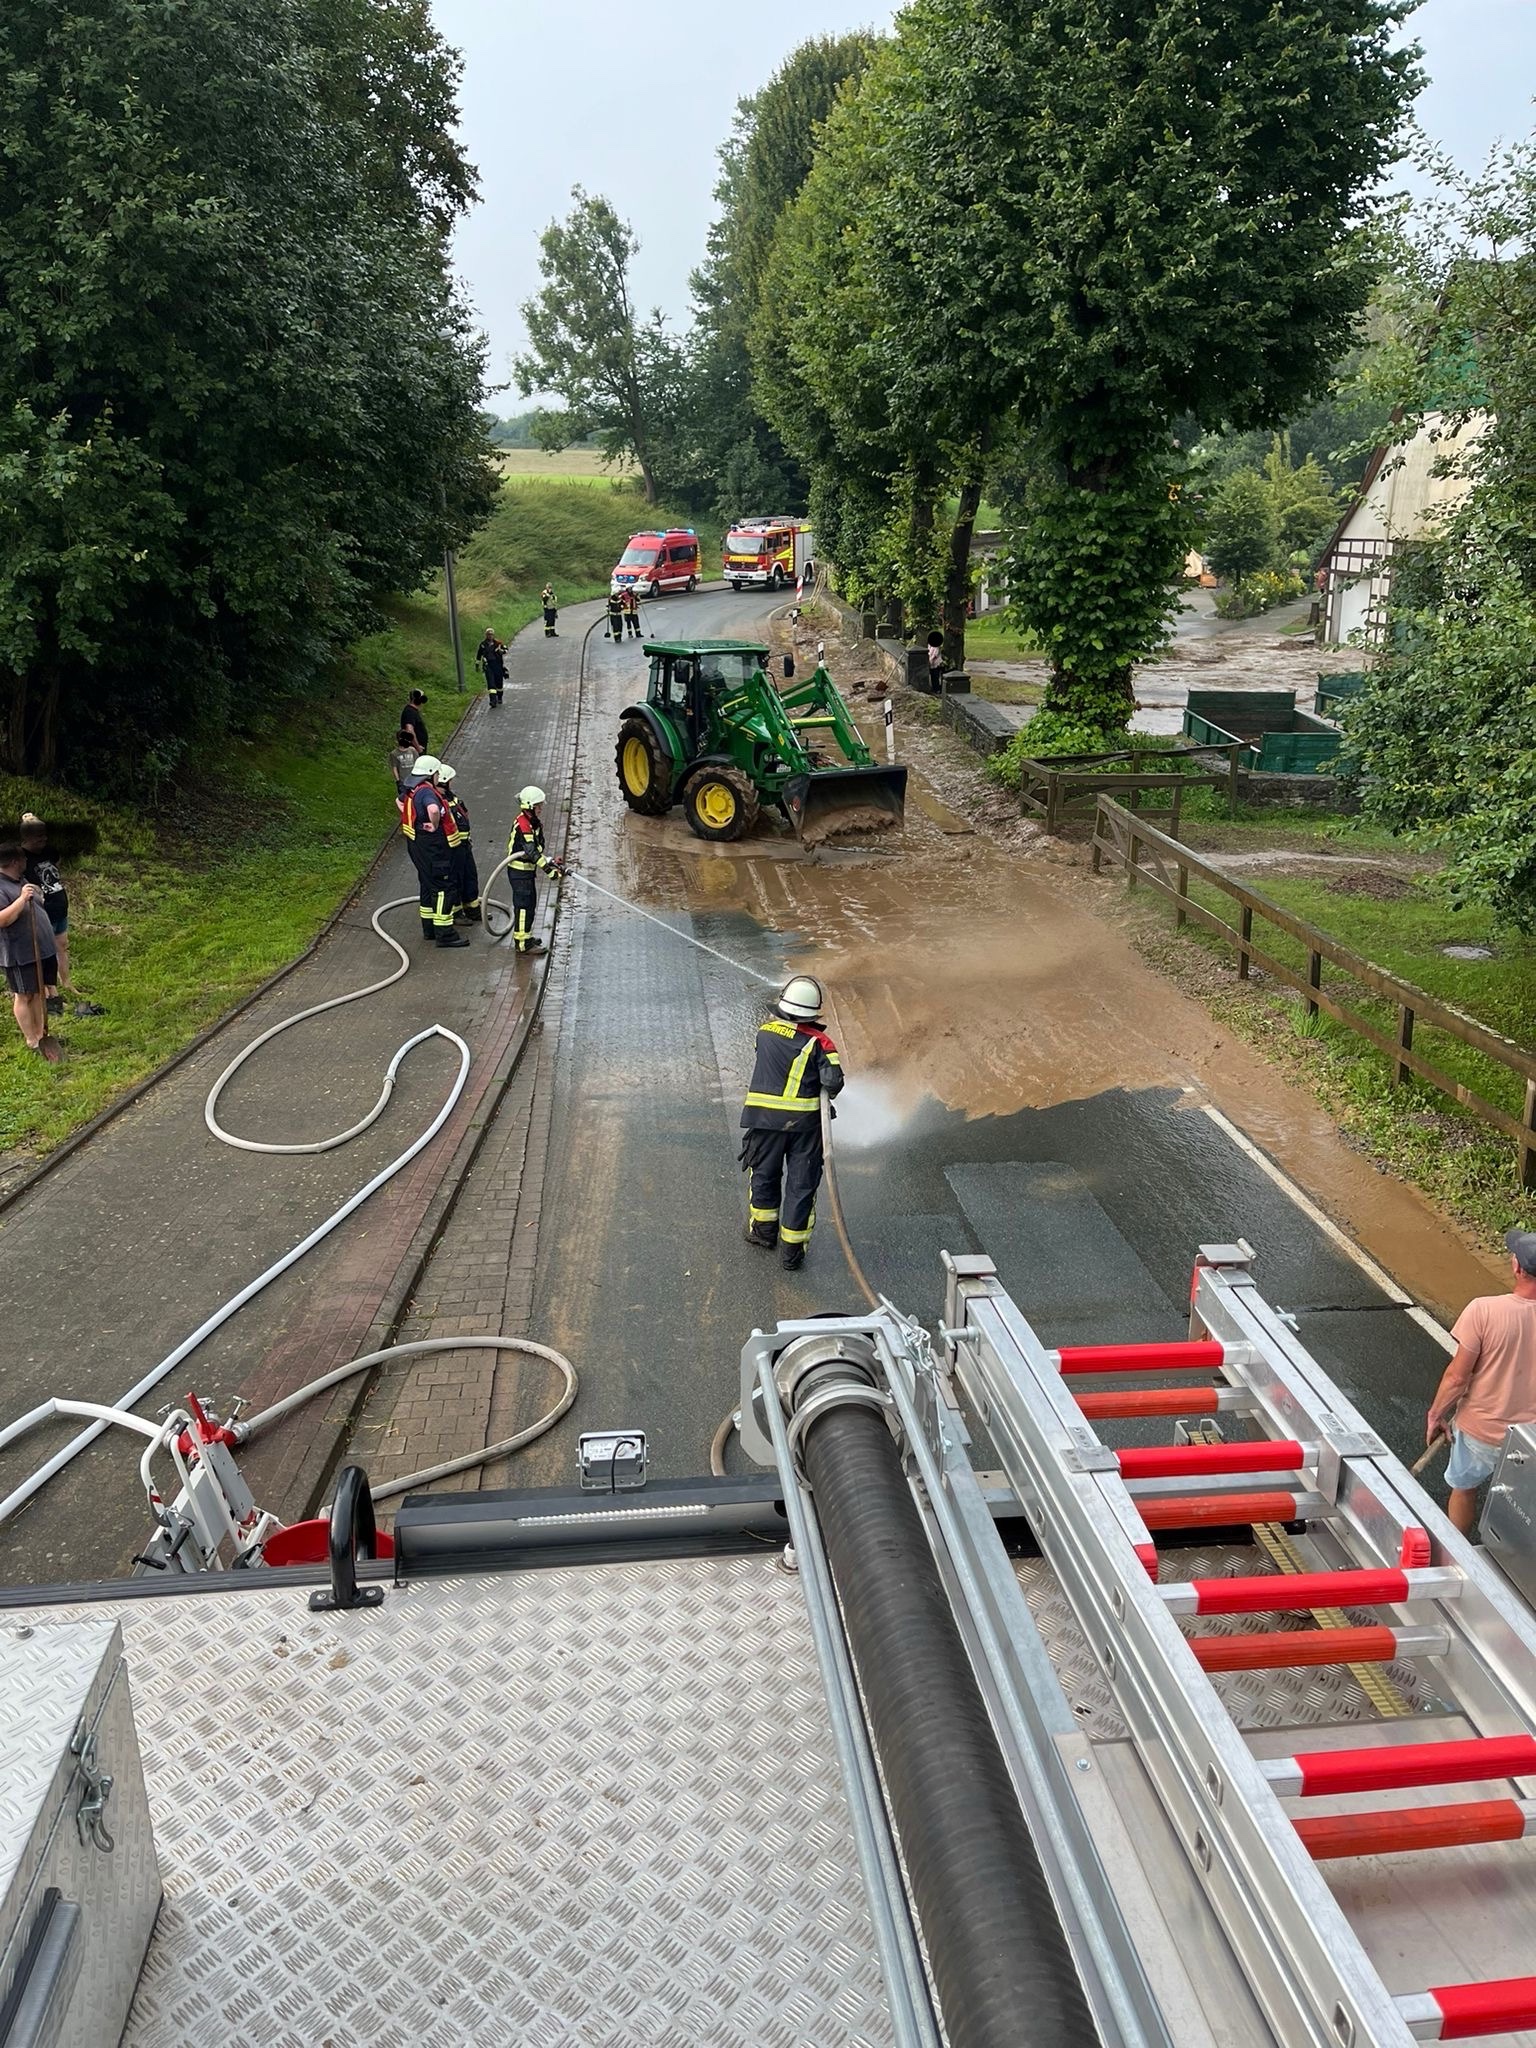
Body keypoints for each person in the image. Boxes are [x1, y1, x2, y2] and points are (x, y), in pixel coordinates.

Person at [1428, 1231, 1536, 1535]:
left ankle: (1460, 1553)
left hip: (1481, 1431)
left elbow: (1457, 1378)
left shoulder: (1483, 1310)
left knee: (1464, 1489)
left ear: (1517, 1267)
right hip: (1529, 1439)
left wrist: (1436, 1414)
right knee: (1523, 1505)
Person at [739, 974, 844, 1271]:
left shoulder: (765, 1032)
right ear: (812, 1013)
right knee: (801, 1186)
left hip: (765, 1122)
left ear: (784, 1007)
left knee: (764, 1175)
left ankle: (762, 1234)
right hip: (805, 1128)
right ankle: (792, 1255)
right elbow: (833, 1082)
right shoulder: (821, 1042)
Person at [20, 812, 101, 1017]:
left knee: (62, 946)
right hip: (40, 913)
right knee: (44, 954)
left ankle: (66, 983)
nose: (43, 840)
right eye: (39, 837)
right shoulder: (20, 858)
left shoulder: (49, 850)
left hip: (59, 905)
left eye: (45, 836)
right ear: (26, 838)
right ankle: (49, 993)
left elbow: (56, 867)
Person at [397, 756, 468, 948]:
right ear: (430, 774)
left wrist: (416, 823)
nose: (438, 776)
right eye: (437, 773)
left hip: (417, 846)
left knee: (427, 884)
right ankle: (445, 934)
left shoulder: (412, 790)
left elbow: (399, 802)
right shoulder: (427, 792)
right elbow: (434, 810)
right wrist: (434, 825)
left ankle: (429, 929)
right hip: (433, 849)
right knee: (443, 888)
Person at [0, 842, 61, 1059]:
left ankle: (41, 1033)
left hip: (38, 949)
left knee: (36, 993)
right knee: (24, 995)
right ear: (15, 862)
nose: (27, 862)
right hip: (18, 952)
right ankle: (31, 1039)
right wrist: (21, 899)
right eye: (23, 859)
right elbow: (2, 919)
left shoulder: (20, 880)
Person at [505, 785, 564, 956]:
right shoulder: (524, 824)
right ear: (530, 806)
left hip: (526, 872)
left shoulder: (531, 822)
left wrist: (551, 861)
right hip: (519, 872)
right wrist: (548, 870)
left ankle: (527, 937)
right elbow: (530, 852)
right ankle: (523, 944)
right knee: (523, 906)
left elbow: (535, 851)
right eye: (539, 805)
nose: (541, 808)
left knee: (530, 905)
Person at [438, 767, 481, 923]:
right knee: (456, 879)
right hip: (452, 848)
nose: (452, 782)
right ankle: (457, 913)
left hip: (463, 845)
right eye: (450, 780)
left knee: (470, 875)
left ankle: (473, 909)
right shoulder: (440, 801)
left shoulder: (451, 797)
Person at [475, 631, 507, 707]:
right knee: (491, 683)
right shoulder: (483, 645)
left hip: (498, 666)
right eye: (488, 635)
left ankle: (499, 697)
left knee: (499, 684)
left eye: (491, 635)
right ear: (486, 635)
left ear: (493, 635)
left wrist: (501, 651)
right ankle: (493, 701)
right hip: (488, 666)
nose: (490, 636)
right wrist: (477, 665)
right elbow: (479, 656)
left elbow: (506, 649)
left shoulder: (498, 643)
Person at [389, 726, 419, 794]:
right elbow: (395, 767)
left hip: (414, 779)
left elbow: (418, 762)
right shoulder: (394, 753)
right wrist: (398, 781)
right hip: (403, 780)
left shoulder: (412, 750)